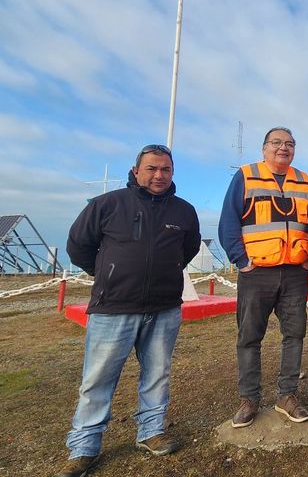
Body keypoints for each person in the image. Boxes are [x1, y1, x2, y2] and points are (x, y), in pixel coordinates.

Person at [57, 144, 201, 477]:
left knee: (157, 373)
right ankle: (84, 448)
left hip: (164, 307)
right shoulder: (107, 205)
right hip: (114, 308)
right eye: (151, 168)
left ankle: (151, 432)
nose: (158, 175)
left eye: (165, 169)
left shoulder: (184, 211)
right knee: (98, 379)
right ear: (136, 171)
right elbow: (78, 245)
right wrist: (108, 273)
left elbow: (188, 248)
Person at [218, 127, 308, 428]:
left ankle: (287, 395)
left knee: (295, 335)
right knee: (249, 337)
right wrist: (242, 261)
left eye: (289, 143)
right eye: (276, 143)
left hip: (295, 272)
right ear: (264, 149)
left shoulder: (304, 180)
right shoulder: (246, 176)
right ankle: (249, 399)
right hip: (256, 272)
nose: (282, 148)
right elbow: (228, 222)